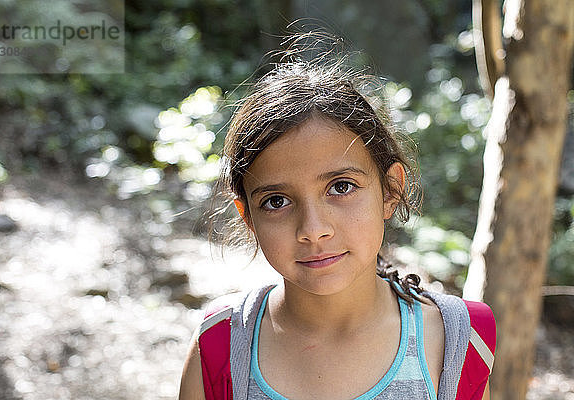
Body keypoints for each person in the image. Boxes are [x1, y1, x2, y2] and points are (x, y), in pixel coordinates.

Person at [179, 36, 493, 400]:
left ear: (390, 190)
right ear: (248, 217)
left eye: (341, 187)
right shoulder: (222, 345)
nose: (314, 230)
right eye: (277, 201)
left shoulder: (453, 345)